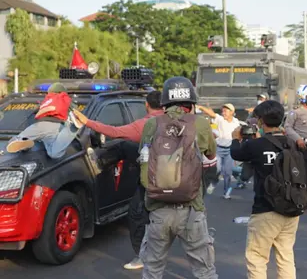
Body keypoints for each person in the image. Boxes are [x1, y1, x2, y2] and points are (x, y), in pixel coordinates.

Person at [74, 91, 163, 270]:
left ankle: (142, 257)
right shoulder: (177, 122)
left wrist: (87, 122)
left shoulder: (145, 125)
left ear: (147, 105)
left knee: (137, 215)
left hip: (152, 180)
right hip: (178, 180)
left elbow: (115, 131)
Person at [139, 77, 218, 278]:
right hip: (191, 207)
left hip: (158, 208)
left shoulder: (151, 125)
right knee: (204, 270)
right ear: (191, 103)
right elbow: (210, 154)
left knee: (153, 269)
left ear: (164, 102)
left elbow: (143, 160)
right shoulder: (200, 123)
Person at [231, 100, 303, 279]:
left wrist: (235, 137)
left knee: (257, 258)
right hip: (292, 207)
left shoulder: (255, 145)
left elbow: (236, 154)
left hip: (266, 209)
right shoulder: (291, 143)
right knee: (286, 256)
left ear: (261, 121)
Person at [6, 82, 83, 159]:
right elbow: (75, 110)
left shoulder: (47, 101)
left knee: (18, 139)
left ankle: (24, 143)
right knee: (54, 153)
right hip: (56, 128)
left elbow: (36, 111)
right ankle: (72, 128)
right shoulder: (65, 100)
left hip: (41, 125)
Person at [284, 84, 307, 209]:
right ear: (303, 97)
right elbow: (287, 127)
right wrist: (298, 139)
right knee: (302, 172)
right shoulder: (295, 112)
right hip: (300, 146)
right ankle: (302, 197)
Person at [197, 103, 240, 199]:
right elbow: (211, 114)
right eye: (223, 110)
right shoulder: (220, 119)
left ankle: (226, 193)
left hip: (229, 150)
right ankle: (213, 183)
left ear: (232, 112)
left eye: (226, 111)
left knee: (227, 173)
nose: (223, 112)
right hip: (219, 149)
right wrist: (201, 107)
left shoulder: (236, 122)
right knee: (217, 169)